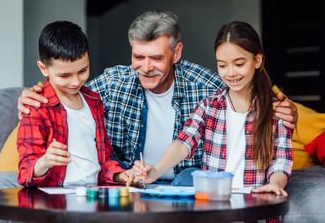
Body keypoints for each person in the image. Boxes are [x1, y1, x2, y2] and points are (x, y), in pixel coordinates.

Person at [17, 11, 298, 186]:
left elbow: (247, 86)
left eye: (157, 58)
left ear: (176, 54)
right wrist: (35, 92)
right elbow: (68, 88)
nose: (146, 66)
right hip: (134, 183)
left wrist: (286, 107)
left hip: (188, 185)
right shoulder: (112, 84)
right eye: (138, 57)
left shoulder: (206, 85)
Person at [132, 21, 293, 201]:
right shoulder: (209, 106)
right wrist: (155, 170)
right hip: (215, 208)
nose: (230, 73)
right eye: (222, 65)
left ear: (257, 61)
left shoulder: (276, 111)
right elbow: (184, 142)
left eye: (239, 64)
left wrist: (275, 184)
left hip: (256, 209)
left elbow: (281, 160)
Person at [17, 21, 134, 187]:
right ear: (43, 68)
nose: (76, 82)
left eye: (83, 71)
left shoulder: (93, 101)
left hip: (94, 195)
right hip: (56, 198)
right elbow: (25, 173)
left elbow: (103, 159)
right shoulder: (36, 106)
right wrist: (44, 162)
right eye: (64, 76)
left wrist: (120, 176)